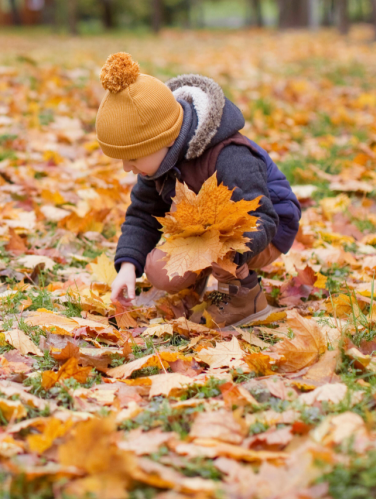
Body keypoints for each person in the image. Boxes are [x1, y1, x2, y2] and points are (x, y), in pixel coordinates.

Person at [95, 52, 301, 328]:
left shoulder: (230, 155)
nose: (126, 168)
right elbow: (142, 215)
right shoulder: (156, 165)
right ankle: (196, 285)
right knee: (160, 270)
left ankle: (245, 298)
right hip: (205, 227)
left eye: (132, 158)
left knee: (219, 237)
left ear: (162, 140)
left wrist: (230, 256)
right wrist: (128, 267)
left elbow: (264, 216)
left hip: (265, 226)